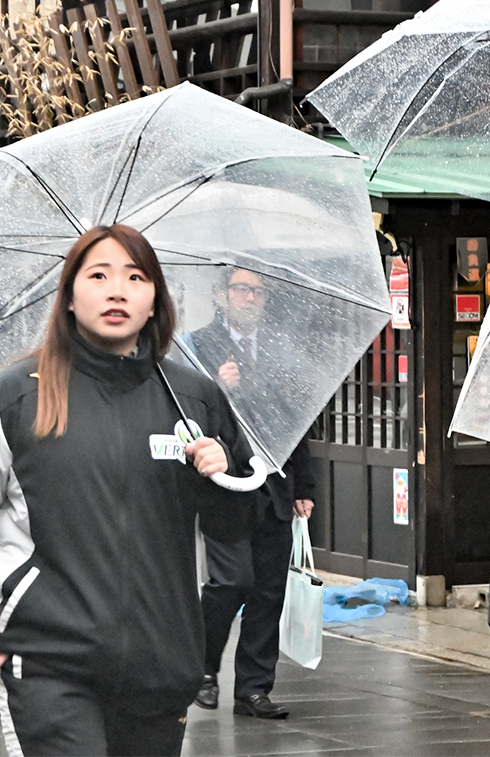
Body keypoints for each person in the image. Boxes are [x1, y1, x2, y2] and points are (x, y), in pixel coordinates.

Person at [0, 224, 255, 757]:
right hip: (47, 661)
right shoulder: (16, 397)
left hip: (160, 663)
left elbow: (235, 531)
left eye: (135, 277)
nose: (117, 290)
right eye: (98, 275)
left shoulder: (194, 401)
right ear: (70, 296)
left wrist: (222, 475)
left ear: (155, 302)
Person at [184, 267, 315, 720]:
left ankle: (254, 689)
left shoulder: (281, 350)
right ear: (221, 295)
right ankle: (202, 668)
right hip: (224, 487)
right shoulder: (197, 347)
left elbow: (299, 421)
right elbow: (184, 416)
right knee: (231, 582)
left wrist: (305, 485)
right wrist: (217, 390)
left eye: (258, 291)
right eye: (241, 289)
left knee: (268, 592)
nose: (250, 298)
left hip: (275, 484)